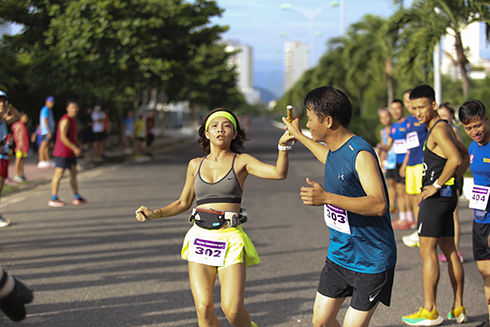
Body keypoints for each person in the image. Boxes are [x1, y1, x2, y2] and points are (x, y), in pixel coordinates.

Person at [135, 108, 295, 327]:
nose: (221, 129)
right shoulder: (194, 165)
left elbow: (279, 173)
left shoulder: (242, 161)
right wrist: (155, 213)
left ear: (234, 134)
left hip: (230, 239)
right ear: (206, 133)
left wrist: (283, 146)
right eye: (215, 126)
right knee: (203, 308)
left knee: (232, 310)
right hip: (199, 239)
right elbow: (183, 203)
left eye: (227, 126)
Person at [282, 86, 397, 327]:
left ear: (329, 121)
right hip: (339, 255)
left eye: (311, 119)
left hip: (371, 260)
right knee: (321, 322)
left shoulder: (361, 153)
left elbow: (378, 204)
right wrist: (299, 135)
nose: (309, 124)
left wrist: (327, 198)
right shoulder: (336, 151)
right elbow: (327, 157)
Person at [402, 85, 469, 326]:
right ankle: (458, 306)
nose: (417, 112)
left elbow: (455, 159)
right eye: (413, 108)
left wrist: (438, 185)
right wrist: (454, 182)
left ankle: (430, 310)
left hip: (435, 199)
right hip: (445, 198)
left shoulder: (438, 130)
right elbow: (464, 154)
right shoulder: (445, 128)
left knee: (427, 251)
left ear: (433, 105)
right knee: (449, 250)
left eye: (421, 107)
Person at [458, 100, 490, 327]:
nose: (474, 131)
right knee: (484, 271)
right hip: (479, 218)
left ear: (486, 120)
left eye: (477, 125)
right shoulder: (471, 147)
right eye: (468, 128)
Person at [437, 102, 464, 262]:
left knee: (454, 214)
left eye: (444, 115)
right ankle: (450, 250)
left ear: (451, 116)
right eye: (439, 115)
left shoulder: (454, 131)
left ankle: (457, 250)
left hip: (454, 177)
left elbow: (458, 156)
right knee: (446, 215)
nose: (442, 118)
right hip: (444, 177)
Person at [401, 89, 427, 248]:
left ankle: (422, 231)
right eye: (406, 101)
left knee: (419, 199)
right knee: (412, 198)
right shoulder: (408, 121)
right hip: (410, 164)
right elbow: (409, 147)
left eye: (411, 100)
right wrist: (404, 164)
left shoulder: (422, 119)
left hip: (420, 163)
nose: (409, 104)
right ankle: (418, 229)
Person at [48, 100, 86, 207]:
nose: (75, 109)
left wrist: (78, 146)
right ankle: (53, 197)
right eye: (72, 107)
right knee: (59, 173)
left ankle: (76, 195)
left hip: (71, 152)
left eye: (76, 107)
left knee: (74, 172)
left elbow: (72, 137)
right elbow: (62, 137)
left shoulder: (74, 120)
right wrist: (74, 148)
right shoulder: (65, 120)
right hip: (63, 152)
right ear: (67, 108)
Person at [386, 99, 414, 230]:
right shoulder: (393, 127)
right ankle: (403, 217)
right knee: (399, 190)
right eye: (392, 109)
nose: (395, 112)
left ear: (403, 108)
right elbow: (389, 144)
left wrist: (405, 163)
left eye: (397, 108)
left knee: (407, 191)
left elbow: (411, 145)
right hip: (397, 162)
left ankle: (410, 218)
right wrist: (381, 149)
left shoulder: (409, 123)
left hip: (407, 162)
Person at [0, 90, 22, 227]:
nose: (2, 105)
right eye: (0, 102)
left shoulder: (3, 120)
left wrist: (9, 107)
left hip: (4, 156)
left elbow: (18, 116)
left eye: (3, 102)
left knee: (1, 186)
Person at [377, 108, 397, 213]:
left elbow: (387, 146)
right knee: (390, 182)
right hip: (389, 161)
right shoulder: (383, 131)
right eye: (382, 117)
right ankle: (392, 204)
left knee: (398, 184)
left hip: (398, 159)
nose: (385, 119)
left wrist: (380, 148)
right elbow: (384, 145)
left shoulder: (395, 128)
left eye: (387, 116)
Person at [38, 95, 56, 168]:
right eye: (50, 102)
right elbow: (45, 119)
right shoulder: (45, 109)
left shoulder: (49, 110)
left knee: (48, 146)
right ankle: (41, 160)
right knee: (44, 145)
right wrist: (48, 131)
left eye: (52, 102)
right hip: (46, 131)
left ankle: (47, 160)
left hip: (49, 130)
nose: (52, 104)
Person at [12, 112, 30, 182]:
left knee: (22, 160)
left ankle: (21, 173)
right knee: (18, 159)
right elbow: (18, 136)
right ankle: (16, 174)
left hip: (24, 146)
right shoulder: (18, 125)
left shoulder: (23, 126)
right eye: (25, 118)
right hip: (19, 146)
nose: (26, 119)